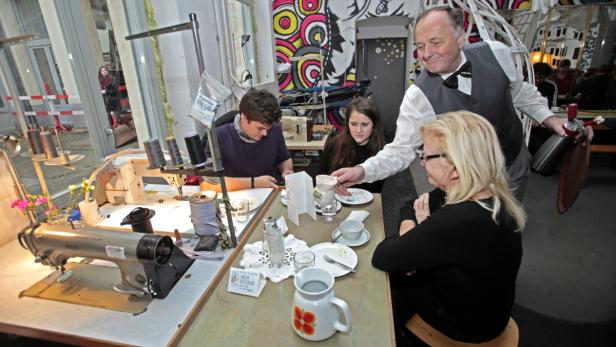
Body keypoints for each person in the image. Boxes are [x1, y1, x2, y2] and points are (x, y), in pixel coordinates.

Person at [332, 7, 593, 202]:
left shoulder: (497, 53)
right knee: (469, 245)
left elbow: (521, 93)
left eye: (435, 42)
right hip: (463, 181)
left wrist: (551, 118)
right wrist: (361, 171)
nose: (426, 53)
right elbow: (401, 151)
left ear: (460, 39)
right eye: (420, 46)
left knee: (508, 233)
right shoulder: (417, 96)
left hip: (513, 167)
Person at [372, 111, 525, 344]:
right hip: (490, 315)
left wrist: (413, 238)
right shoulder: (488, 195)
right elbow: (409, 206)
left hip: (465, 327)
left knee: (391, 282)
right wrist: (412, 229)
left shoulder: (458, 220)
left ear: (453, 166)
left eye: (427, 156)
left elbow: (383, 255)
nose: (422, 162)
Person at [201, 88, 293, 191]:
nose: (265, 133)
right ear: (244, 118)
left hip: (271, 192)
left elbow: (284, 158)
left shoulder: (274, 129)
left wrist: (287, 170)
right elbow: (208, 183)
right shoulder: (219, 136)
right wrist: (254, 182)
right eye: (260, 128)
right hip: (238, 198)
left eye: (268, 128)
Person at [320, 97, 386, 193]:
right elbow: (321, 180)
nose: (358, 130)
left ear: (374, 125)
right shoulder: (333, 145)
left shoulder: (384, 153)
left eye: (365, 124)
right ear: (347, 123)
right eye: (353, 124)